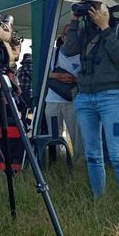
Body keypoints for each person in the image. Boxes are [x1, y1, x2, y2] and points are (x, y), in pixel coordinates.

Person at [62, 0, 119, 205]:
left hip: (112, 96)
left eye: (95, 4)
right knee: (92, 155)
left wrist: (105, 28)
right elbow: (68, 51)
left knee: (117, 155)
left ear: (107, 6)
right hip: (85, 97)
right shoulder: (85, 28)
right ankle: (98, 200)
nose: (92, 8)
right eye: (89, 4)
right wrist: (75, 21)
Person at [45, 26, 84, 162]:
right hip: (52, 100)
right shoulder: (53, 53)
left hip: (74, 100)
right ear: (63, 37)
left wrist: (75, 79)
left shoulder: (82, 55)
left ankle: (79, 161)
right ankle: (57, 160)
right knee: (54, 134)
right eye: (68, 35)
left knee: (77, 135)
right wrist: (57, 76)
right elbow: (42, 74)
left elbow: (88, 77)